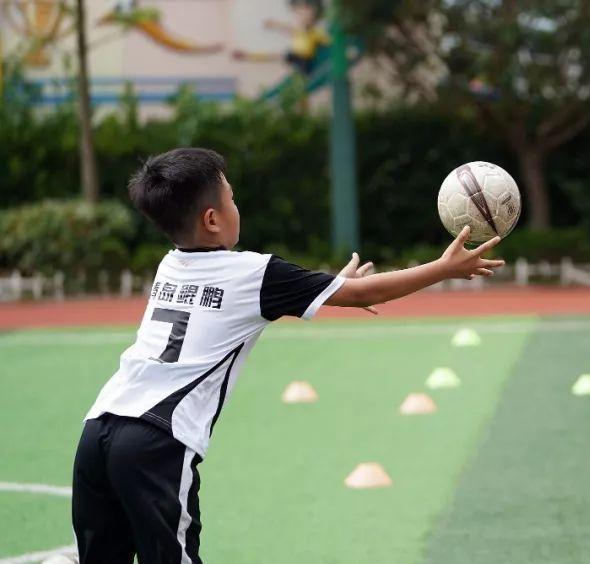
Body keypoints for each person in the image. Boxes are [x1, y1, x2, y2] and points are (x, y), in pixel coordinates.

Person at [71, 147, 503, 564]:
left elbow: (241, 301)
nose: (237, 205)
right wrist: (444, 268)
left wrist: (330, 287)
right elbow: (361, 294)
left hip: (97, 431)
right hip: (156, 443)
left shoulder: (170, 266)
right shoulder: (253, 273)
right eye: (232, 198)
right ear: (212, 219)